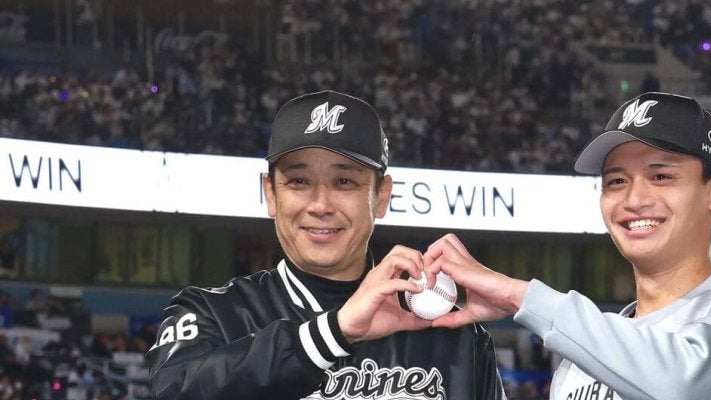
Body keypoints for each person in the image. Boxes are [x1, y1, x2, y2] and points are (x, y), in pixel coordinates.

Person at [423, 92, 711, 399]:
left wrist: (520, 296)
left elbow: (682, 386)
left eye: (661, 176)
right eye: (616, 181)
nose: (634, 199)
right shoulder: (575, 363)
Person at [145, 90, 505, 399]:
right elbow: (175, 389)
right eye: (299, 181)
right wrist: (333, 332)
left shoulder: (451, 332)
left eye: (344, 182)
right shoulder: (212, 314)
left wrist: (521, 299)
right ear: (270, 194)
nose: (320, 205)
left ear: (381, 196)